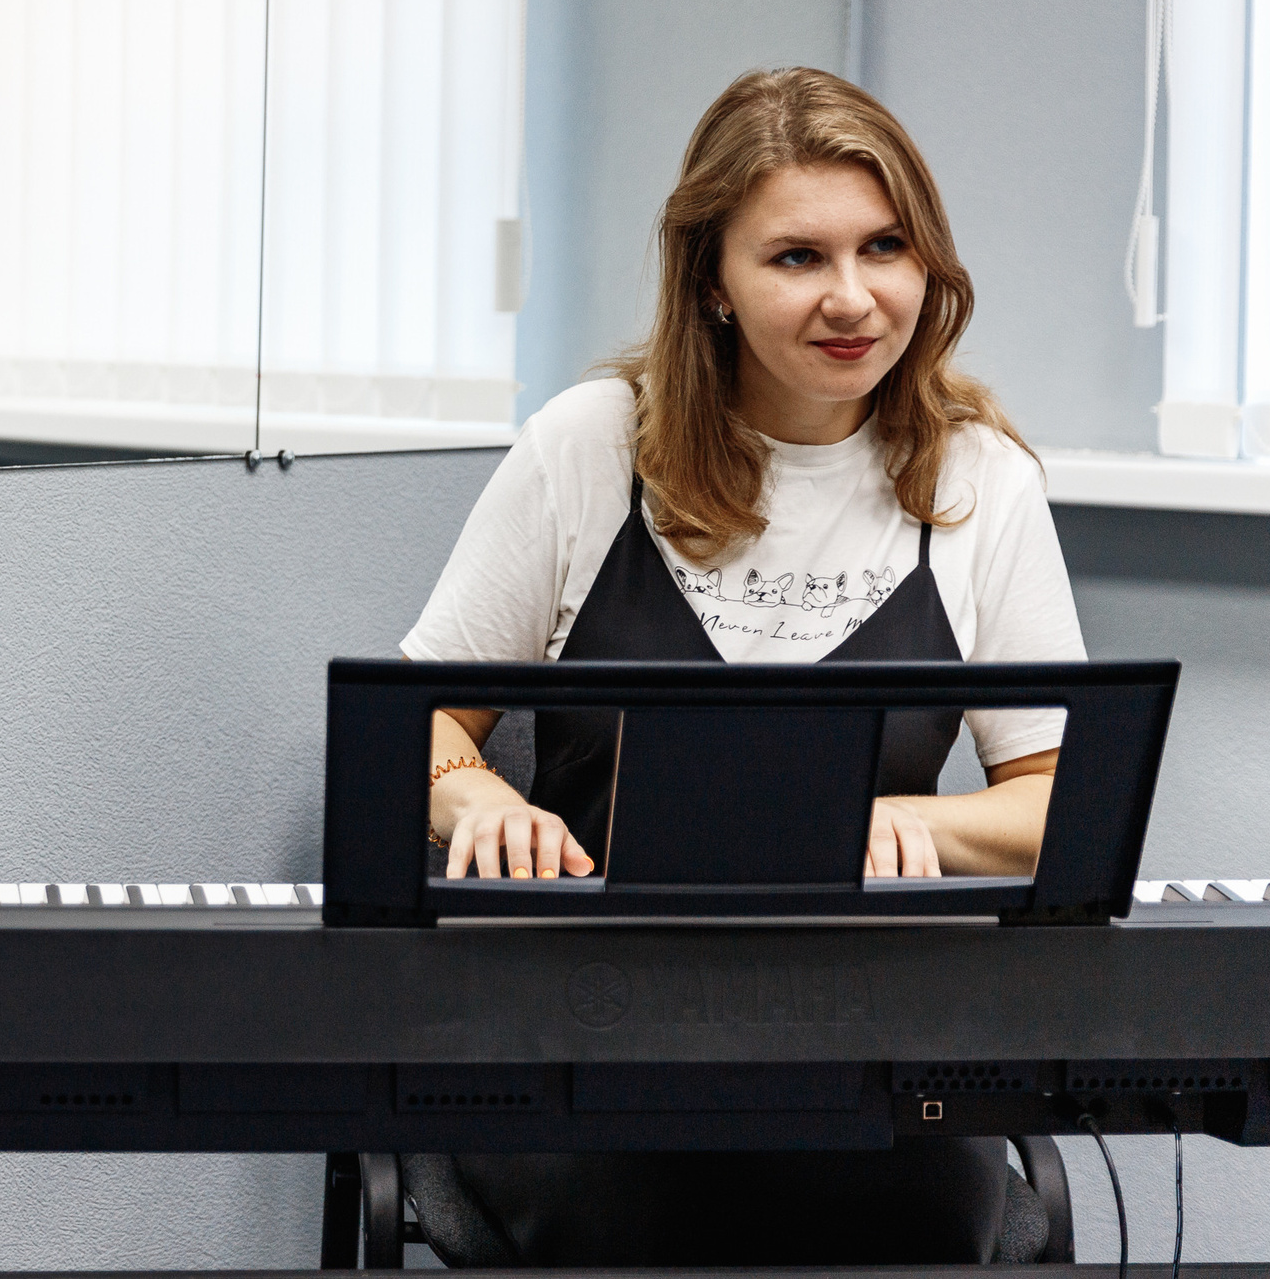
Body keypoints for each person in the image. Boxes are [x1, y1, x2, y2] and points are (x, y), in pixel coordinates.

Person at [397, 67, 1077, 1266]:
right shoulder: (589, 448)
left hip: (873, 1060)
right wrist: (479, 795)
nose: (855, 298)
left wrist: (914, 825)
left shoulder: (979, 478)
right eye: (798, 258)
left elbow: (1059, 806)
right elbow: (412, 729)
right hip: (581, 1054)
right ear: (710, 279)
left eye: (886, 248)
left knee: (907, 1213)